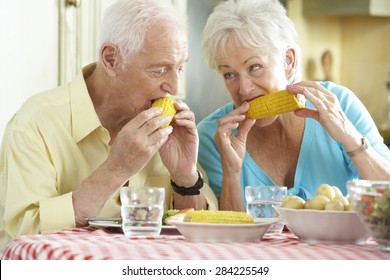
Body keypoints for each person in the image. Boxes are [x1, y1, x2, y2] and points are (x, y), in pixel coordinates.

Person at [0, 0, 217, 250]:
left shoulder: (171, 131)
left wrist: (185, 177)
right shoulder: (35, 124)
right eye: (160, 70)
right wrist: (116, 169)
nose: (175, 87)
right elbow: (21, 241)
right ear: (111, 59)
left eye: (179, 68)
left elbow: (205, 236)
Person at [197, 0, 390, 211]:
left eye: (254, 67)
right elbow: (226, 235)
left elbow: (386, 197)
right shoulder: (211, 137)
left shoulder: (339, 104)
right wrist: (231, 173)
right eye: (229, 74)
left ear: (288, 61)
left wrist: (349, 136)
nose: (243, 89)